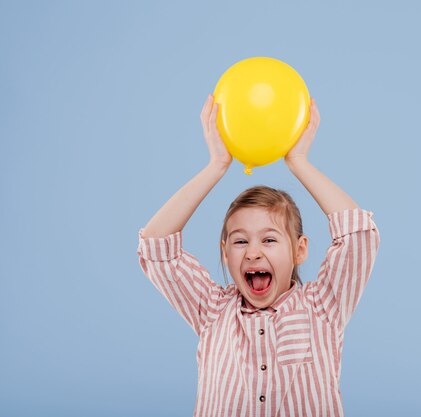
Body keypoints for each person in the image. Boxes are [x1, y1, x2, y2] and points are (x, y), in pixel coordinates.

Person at [136, 93, 380, 417]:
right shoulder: (211, 310)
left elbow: (358, 236)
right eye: (239, 242)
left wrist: (299, 162)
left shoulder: (324, 306)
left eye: (269, 240)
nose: (252, 253)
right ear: (224, 253)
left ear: (299, 250)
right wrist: (216, 166)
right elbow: (156, 245)